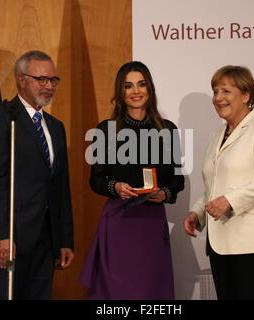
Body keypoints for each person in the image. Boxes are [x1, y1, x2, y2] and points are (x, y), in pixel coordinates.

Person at [183, 65, 254, 300]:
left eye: (225, 91)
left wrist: (229, 201)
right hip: (221, 243)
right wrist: (197, 214)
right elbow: (214, 185)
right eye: (215, 92)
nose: (218, 98)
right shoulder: (217, 134)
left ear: (246, 95)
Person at [79, 61, 184, 299]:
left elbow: (177, 182)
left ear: (150, 89)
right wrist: (114, 187)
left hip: (151, 224)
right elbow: (95, 180)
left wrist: (164, 194)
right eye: (128, 86)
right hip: (118, 222)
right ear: (120, 92)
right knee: (117, 292)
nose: (136, 91)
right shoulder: (106, 130)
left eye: (141, 84)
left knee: (151, 290)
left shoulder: (168, 130)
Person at [0, 50, 74, 300]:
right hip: (9, 241)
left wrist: (64, 239)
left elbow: (60, 187)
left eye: (53, 80)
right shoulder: (0, 118)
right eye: (41, 79)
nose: (49, 86)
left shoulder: (56, 127)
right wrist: (1, 236)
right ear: (21, 79)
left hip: (45, 241)